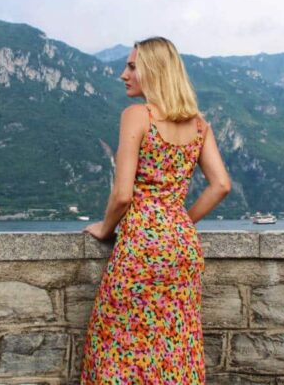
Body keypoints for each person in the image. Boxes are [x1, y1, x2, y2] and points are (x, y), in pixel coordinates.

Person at [80, 36, 232, 383]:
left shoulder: (138, 116)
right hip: (182, 246)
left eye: (132, 66)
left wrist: (105, 229)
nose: (124, 74)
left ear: (154, 70)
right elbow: (221, 184)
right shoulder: (198, 124)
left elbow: (122, 195)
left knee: (117, 343)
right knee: (175, 345)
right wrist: (177, 222)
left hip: (141, 248)